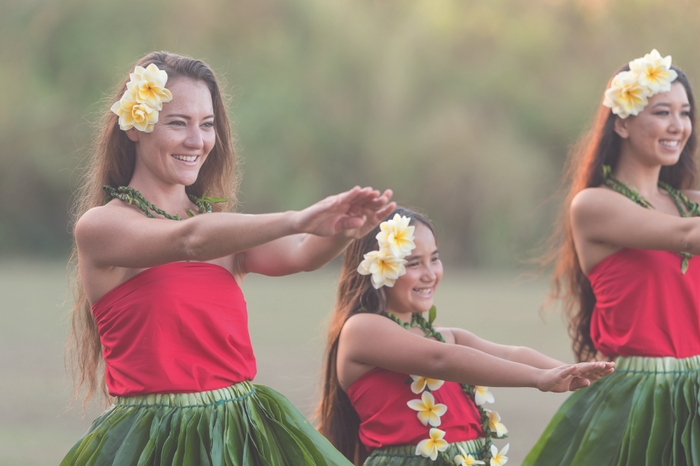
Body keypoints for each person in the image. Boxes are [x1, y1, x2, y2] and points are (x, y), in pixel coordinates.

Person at [60, 51, 396, 465]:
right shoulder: (102, 227)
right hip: (154, 443)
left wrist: (342, 231)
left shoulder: (218, 227)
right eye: (177, 123)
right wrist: (298, 218)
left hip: (242, 433)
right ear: (134, 126)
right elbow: (188, 241)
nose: (196, 141)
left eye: (207, 125)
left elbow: (302, 254)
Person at [316, 207, 615, 466]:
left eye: (434, 259)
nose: (430, 273)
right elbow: (439, 360)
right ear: (377, 269)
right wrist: (538, 379)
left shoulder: (448, 337)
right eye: (413, 263)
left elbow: (509, 354)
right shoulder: (361, 329)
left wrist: (570, 373)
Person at [522, 50, 700, 465]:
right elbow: (688, 237)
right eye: (662, 112)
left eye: (685, 113)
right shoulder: (594, 206)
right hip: (636, 399)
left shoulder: (690, 203)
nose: (678, 126)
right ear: (621, 122)